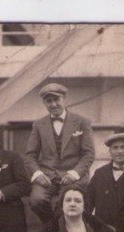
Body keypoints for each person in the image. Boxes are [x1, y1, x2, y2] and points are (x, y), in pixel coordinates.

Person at [25, 82, 95, 222]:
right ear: (44, 103)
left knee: (65, 203)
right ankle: (52, 226)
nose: (53, 104)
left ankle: (60, 228)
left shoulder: (82, 122)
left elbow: (89, 154)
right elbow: (30, 156)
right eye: (49, 101)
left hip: (73, 176)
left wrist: (74, 173)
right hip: (47, 176)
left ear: (64, 99)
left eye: (57, 99)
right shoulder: (38, 125)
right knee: (36, 201)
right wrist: (38, 174)